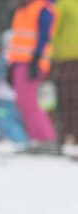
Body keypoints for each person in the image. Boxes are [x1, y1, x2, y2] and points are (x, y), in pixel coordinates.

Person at [7, 0, 59, 152]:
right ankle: (37, 139)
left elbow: (44, 36)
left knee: (28, 102)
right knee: (23, 102)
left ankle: (46, 139)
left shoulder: (43, 8)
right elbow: (17, 39)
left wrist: (36, 59)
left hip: (31, 62)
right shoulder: (22, 9)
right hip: (19, 62)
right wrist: (11, 65)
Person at [0, 30, 29, 147]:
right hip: (16, 95)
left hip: (4, 95)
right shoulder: (22, 58)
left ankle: (20, 141)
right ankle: (18, 140)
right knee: (14, 119)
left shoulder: (3, 58)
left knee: (4, 120)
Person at [53, 0, 78, 145]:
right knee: (68, 97)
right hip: (66, 57)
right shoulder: (63, 4)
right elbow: (54, 31)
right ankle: (69, 134)